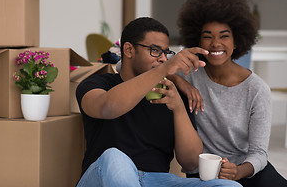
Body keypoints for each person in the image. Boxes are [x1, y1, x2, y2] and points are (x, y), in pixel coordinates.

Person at [75, 17, 242, 187]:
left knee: (230, 186)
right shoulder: (97, 84)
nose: (163, 58)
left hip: (156, 181)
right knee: (115, 157)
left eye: (165, 53)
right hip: (102, 176)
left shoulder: (173, 95)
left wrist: (178, 108)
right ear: (129, 50)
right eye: (155, 50)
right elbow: (106, 108)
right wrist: (166, 69)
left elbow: (191, 163)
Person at [174, 0, 287, 186]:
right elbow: (135, 64)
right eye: (207, 37)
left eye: (224, 36)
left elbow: (259, 153)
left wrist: (238, 171)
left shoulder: (257, 89)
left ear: (236, 42)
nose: (216, 43)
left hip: (245, 169)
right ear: (198, 42)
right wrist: (180, 81)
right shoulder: (189, 72)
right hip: (204, 173)